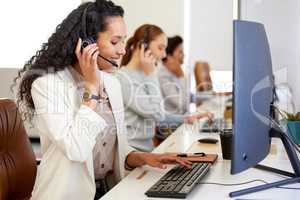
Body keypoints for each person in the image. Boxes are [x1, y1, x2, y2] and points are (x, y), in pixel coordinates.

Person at [13, 1, 191, 199]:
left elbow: (109, 151)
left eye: (124, 41)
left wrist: (142, 157)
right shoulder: (47, 84)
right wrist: (91, 89)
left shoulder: (111, 82)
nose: (123, 51)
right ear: (86, 44)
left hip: (110, 190)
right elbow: (77, 149)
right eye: (115, 42)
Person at [116, 25, 212, 152]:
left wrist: (188, 118)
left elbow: (157, 114)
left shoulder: (144, 75)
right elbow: (158, 115)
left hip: (148, 150)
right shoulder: (124, 79)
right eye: (160, 48)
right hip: (133, 154)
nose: (164, 55)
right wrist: (151, 75)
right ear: (143, 46)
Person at [159, 35, 214, 114]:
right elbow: (182, 104)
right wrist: (181, 76)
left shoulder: (173, 73)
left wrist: (210, 96)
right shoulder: (163, 76)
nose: (183, 55)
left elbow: (190, 97)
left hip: (182, 121)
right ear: (169, 57)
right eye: (180, 52)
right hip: (172, 125)